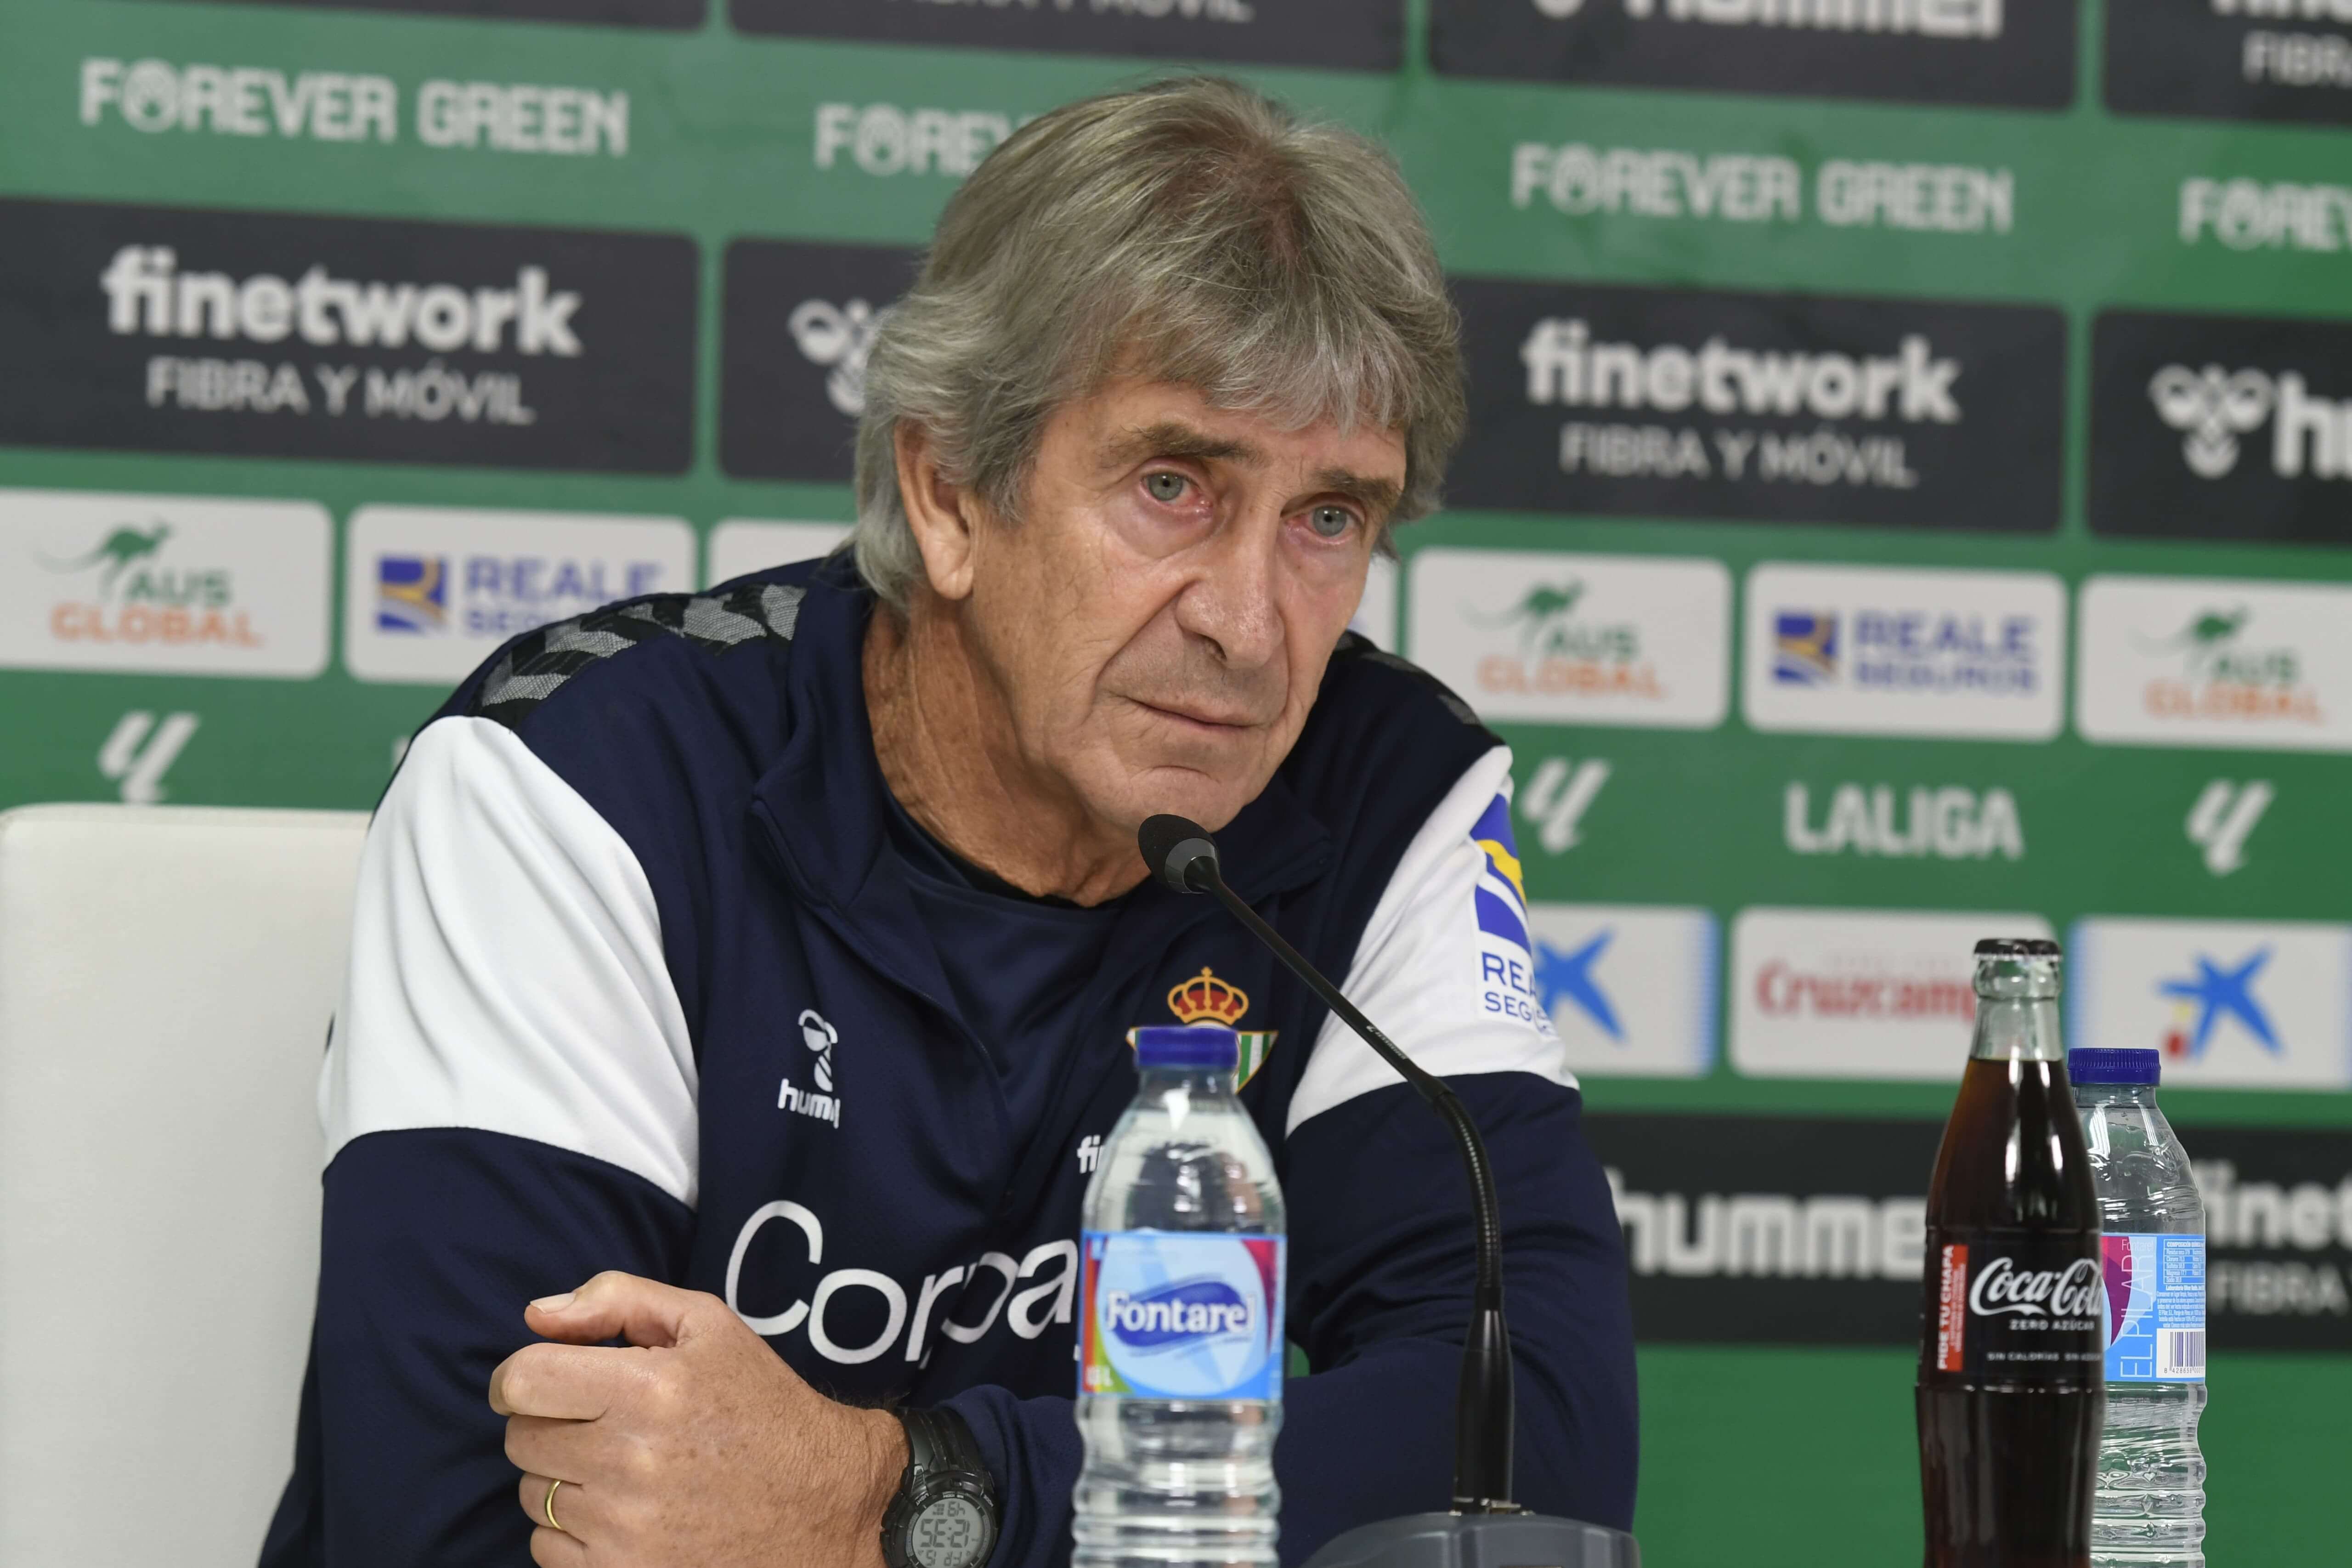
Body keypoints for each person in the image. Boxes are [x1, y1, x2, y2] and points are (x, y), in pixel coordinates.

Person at [260, 76, 1636, 1568]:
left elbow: (1532, 1449)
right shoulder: (580, 781)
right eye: (1173, 484)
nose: (1250, 628)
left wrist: (903, 1498)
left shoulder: (1389, 787)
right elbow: (465, 1520)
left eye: (1329, 519)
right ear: (950, 495)